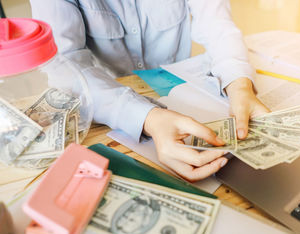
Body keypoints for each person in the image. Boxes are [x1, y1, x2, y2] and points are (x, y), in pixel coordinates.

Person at [30, 0, 269, 181]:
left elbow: (216, 22)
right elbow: (62, 64)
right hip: (105, 108)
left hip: (177, 87)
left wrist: (238, 82)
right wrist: (148, 118)